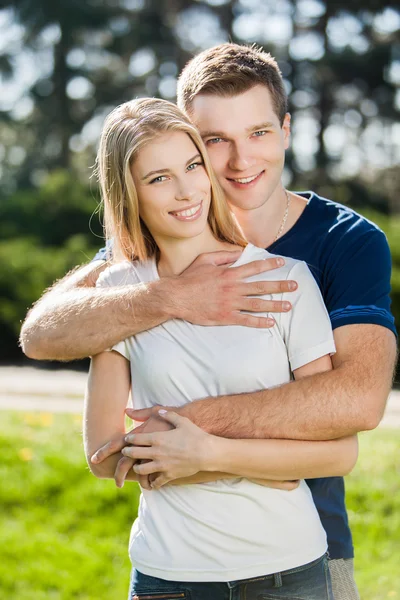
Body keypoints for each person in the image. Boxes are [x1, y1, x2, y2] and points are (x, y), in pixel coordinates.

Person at [20, 43, 397, 599]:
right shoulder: (142, 259)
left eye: (259, 133)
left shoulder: (342, 244)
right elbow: (42, 333)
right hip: (176, 563)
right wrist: (172, 298)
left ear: (287, 130)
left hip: (308, 543)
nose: (240, 162)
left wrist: (186, 436)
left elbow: (359, 402)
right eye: (216, 141)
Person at [85, 95, 358, 599]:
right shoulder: (118, 293)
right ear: (131, 193)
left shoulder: (286, 280)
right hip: (170, 577)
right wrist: (261, 461)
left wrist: (201, 453)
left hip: (290, 571)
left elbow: (337, 451)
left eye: (192, 166)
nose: (186, 190)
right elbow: (103, 454)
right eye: (158, 178)